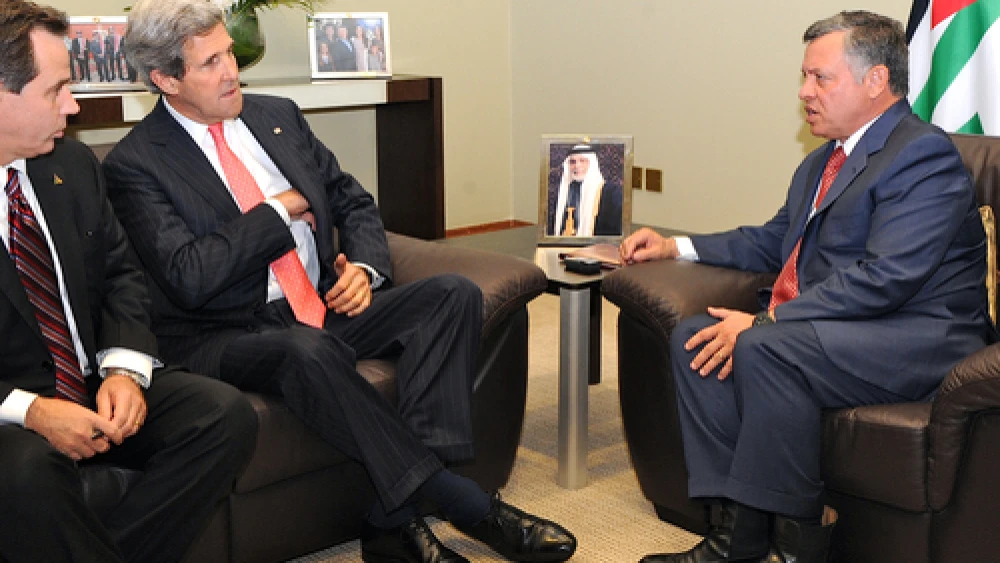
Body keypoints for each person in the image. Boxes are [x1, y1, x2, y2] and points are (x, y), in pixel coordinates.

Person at [103, 1, 577, 562]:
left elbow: (350, 198)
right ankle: (466, 504)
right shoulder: (136, 164)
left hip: (319, 306)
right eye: (210, 63)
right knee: (308, 349)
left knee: (451, 295)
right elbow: (191, 276)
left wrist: (364, 269)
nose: (232, 71)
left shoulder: (277, 115)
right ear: (165, 80)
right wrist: (278, 211)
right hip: (226, 333)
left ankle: (392, 518)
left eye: (229, 52)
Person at [620, 11, 995, 563]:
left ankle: (795, 547)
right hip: (844, 329)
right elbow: (775, 242)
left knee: (762, 346)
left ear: (875, 82)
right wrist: (676, 246)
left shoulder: (922, 154)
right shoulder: (824, 161)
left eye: (821, 78)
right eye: (805, 77)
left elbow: (886, 278)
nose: (804, 92)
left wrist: (767, 322)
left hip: (917, 337)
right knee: (696, 338)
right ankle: (736, 539)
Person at [0, 2, 257, 562]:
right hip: (11, 407)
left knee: (223, 415)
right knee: (27, 470)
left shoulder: (68, 165)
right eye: (56, 90)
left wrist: (124, 369)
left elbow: (121, 274)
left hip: (91, 380)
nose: (73, 104)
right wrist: (34, 411)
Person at [548, 143, 622, 237]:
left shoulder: (610, 193)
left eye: (582, 161)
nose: (577, 166)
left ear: (591, 163)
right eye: (572, 162)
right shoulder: (562, 192)